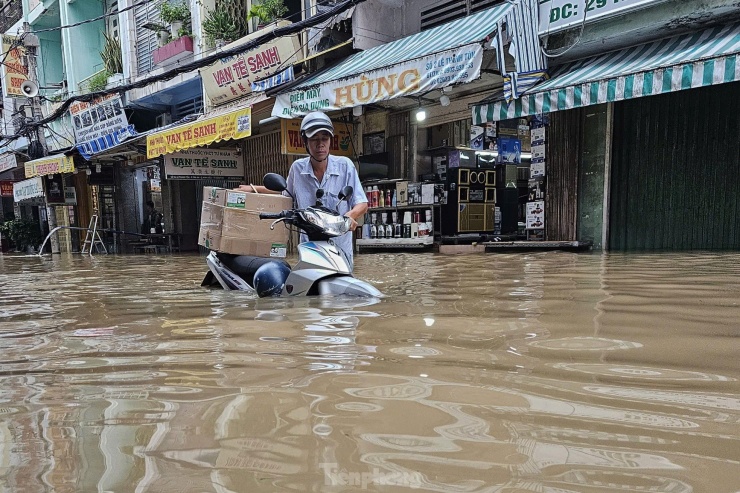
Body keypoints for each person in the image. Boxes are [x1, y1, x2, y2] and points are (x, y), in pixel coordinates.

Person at [241, 111, 368, 267]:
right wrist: (253, 189)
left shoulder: (345, 166)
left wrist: (350, 216)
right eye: (314, 139)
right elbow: (285, 193)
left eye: (324, 138)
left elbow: (361, 203)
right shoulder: (297, 169)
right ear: (305, 142)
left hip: (339, 249)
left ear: (330, 141)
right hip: (310, 248)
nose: (320, 144)